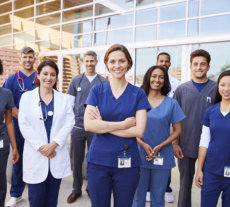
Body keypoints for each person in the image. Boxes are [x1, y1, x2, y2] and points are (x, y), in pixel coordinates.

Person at [84, 44, 151, 207]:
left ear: (128, 63)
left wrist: (103, 125)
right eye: (112, 61)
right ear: (106, 64)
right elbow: (88, 125)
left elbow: (139, 130)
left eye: (121, 61)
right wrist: (123, 124)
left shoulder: (138, 93)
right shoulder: (97, 91)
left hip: (127, 164)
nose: (117, 65)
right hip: (98, 161)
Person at [18, 60, 75, 207]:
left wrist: (54, 144)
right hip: (37, 154)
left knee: (51, 201)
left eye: (52, 74)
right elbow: (23, 124)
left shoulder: (64, 99)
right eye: (45, 74)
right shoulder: (27, 98)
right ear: (38, 75)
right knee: (36, 201)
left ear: (56, 77)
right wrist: (43, 147)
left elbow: (70, 121)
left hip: (56, 153)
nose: (48, 78)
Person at [132, 65, 185, 207]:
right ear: (148, 78)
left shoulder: (171, 103)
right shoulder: (138, 100)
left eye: (161, 77)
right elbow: (130, 127)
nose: (157, 80)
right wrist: (142, 143)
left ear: (165, 81)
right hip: (139, 153)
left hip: (162, 155)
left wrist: (161, 146)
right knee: (137, 196)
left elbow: (177, 130)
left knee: (158, 197)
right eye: (154, 76)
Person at [173, 49, 217, 207]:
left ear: (208, 67)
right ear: (190, 66)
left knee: (209, 186)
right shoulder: (181, 90)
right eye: (196, 64)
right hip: (186, 144)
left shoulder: (217, 89)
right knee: (185, 186)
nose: (199, 67)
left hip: (211, 147)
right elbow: (174, 119)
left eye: (203, 64)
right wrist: (175, 143)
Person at [67, 51, 108, 203]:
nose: (89, 63)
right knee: (76, 160)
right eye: (87, 61)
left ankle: (92, 188)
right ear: (83, 62)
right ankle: (76, 189)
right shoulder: (76, 80)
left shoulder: (103, 82)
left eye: (92, 61)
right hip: (78, 127)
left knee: (94, 160)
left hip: (95, 128)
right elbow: (69, 105)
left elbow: (106, 105)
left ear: (96, 62)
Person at [4, 46, 37, 207]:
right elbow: (8, 105)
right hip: (18, 127)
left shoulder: (41, 77)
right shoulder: (12, 80)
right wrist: (25, 119)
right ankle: (16, 194)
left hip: (39, 127)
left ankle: (36, 193)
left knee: (37, 159)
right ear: (20, 59)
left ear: (34, 59)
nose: (28, 60)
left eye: (30, 57)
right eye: (25, 57)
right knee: (18, 160)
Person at [195, 70, 230, 207]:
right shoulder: (211, 111)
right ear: (218, 87)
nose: (226, 89)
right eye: (223, 85)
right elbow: (204, 142)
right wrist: (199, 169)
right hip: (211, 172)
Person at [0, 59, 19, 207]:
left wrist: (14, 147)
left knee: (0, 180)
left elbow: (9, 122)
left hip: (1, 144)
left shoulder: (6, 94)